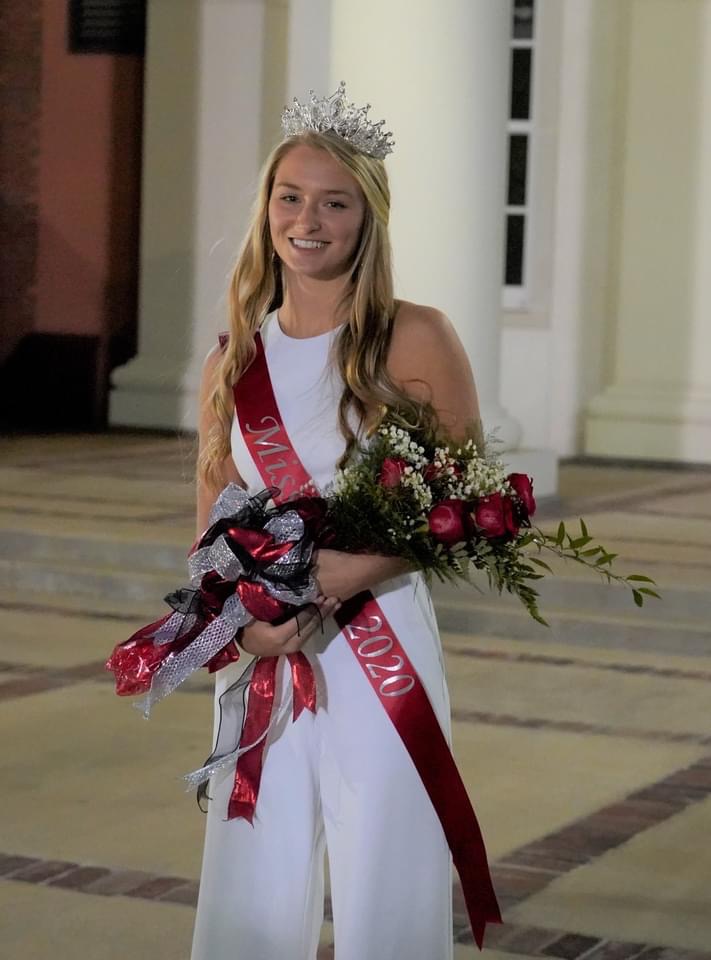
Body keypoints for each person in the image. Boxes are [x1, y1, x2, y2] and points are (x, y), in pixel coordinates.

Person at [191, 85, 490, 960]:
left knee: (385, 865)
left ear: (367, 217)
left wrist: (345, 573)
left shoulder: (416, 337)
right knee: (253, 867)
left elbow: (469, 507)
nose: (307, 219)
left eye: (334, 201)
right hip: (262, 648)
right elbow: (210, 517)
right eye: (290, 197)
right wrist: (241, 627)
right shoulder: (233, 357)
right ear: (266, 210)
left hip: (378, 637)